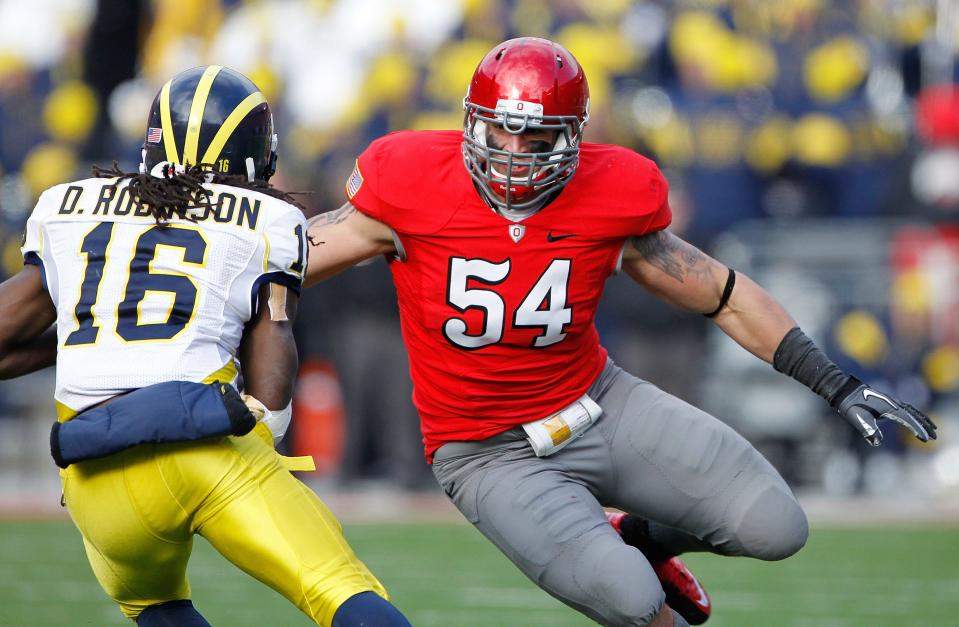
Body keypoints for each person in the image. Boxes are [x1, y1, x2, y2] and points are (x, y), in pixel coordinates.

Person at [301, 38, 937, 627]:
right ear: (472, 121)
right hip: (487, 451)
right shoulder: (408, 177)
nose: (515, 154)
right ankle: (625, 556)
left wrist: (833, 381)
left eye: (538, 137)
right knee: (635, 601)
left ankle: (639, 534)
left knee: (775, 526)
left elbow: (723, 293)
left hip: (598, 406)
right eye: (502, 130)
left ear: (573, 138)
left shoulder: (613, 189)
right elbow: (290, 260)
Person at [0, 66, 411, 627]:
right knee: (340, 590)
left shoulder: (68, 205)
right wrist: (264, 436)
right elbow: (272, 376)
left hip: (94, 468)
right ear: (254, 153)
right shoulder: (268, 218)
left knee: (153, 604)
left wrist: (86, 331)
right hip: (201, 444)